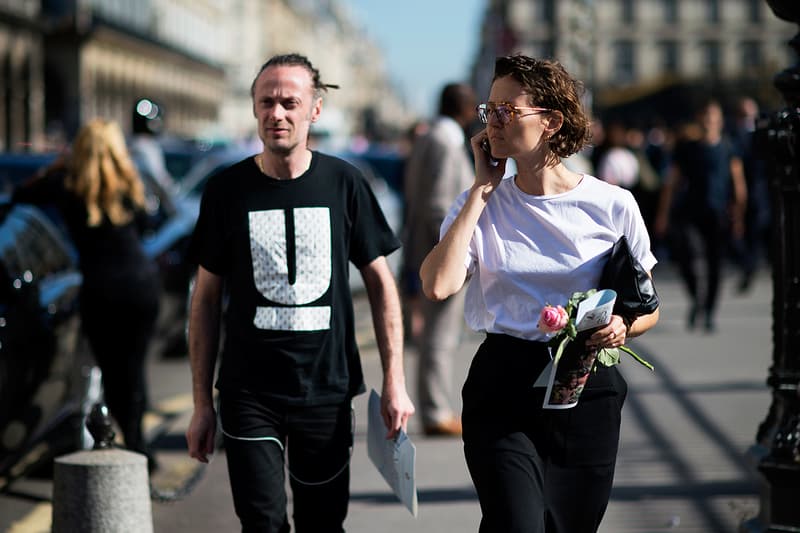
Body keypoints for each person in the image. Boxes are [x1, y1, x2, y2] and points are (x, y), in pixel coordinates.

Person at [419, 55, 660, 533]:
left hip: (585, 389)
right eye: (489, 111)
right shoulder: (481, 205)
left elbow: (648, 307)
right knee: (517, 523)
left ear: (550, 121)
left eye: (507, 110)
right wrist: (480, 192)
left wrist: (621, 327)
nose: (494, 122)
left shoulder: (611, 205)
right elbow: (437, 285)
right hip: (503, 388)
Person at [184, 53, 415, 532]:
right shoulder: (226, 190)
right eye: (266, 102)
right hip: (248, 391)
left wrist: (395, 380)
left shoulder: (345, 183)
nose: (277, 113)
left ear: (315, 109)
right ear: (253, 108)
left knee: (322, 524)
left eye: (290, 102)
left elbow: (380, 283)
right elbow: (205, 300)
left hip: (325, 391)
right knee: (262, 523)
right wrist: (202, 403)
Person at [13, 119, 162, 468]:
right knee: (134, 370)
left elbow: (21, 195)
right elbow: (145, 225)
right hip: (141, 283)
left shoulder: (66, 182)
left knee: (111, 371)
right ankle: (139, 445)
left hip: (103, 288)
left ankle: (132, 447)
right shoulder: (128, 181)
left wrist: (56, 164)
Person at [402, 82, 477, 437]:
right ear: (462, 108)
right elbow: (437, 207)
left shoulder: (429, 138)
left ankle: (435, 408)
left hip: (427, 249)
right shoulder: (446, 144)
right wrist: (451, 255)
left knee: (436, 334)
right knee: (440, 335)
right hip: (442, 254)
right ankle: (436, 411)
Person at [654, 100, 747, 331]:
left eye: (713, 117)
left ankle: (708, 311)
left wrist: (739, 212)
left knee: (715, 264)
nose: (709, 121)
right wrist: (663, 214)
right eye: (705, 116)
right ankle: (697, 297)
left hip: (718, 213)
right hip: (690, 212)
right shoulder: (687, 148)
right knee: (687, 256)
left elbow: (738, 182)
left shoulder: (728, 147)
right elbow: (671, 182)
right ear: (699, 119)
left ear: (720, 121)